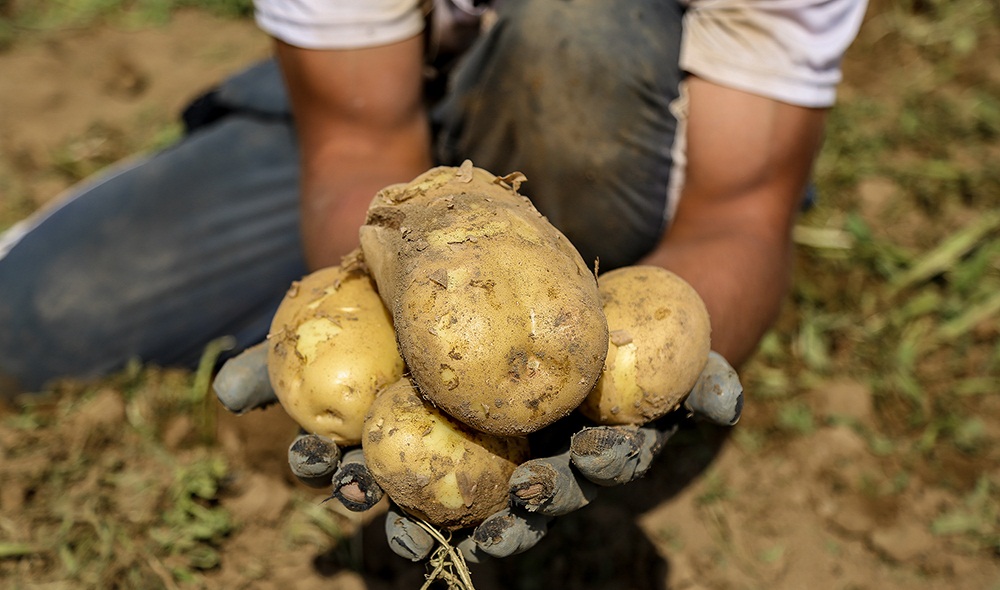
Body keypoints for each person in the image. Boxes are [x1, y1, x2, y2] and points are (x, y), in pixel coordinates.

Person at [0, 0, 867, 558]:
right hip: (405, 115)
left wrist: (657, 353)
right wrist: (369, 307)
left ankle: (580, 256)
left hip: (650, 126)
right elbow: (357, 145)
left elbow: (740, 208)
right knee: (36, 316)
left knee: (576, 28)